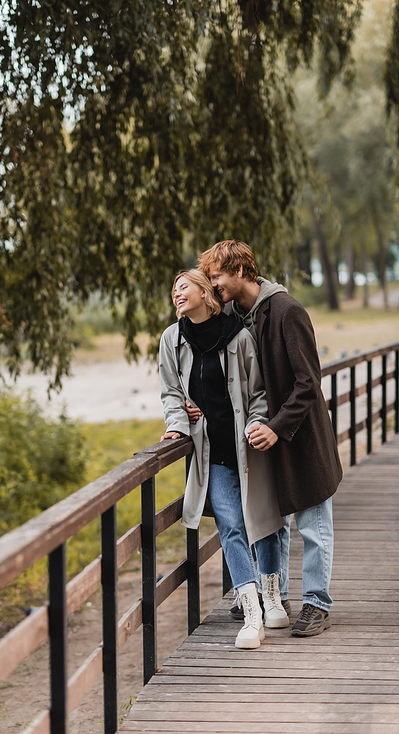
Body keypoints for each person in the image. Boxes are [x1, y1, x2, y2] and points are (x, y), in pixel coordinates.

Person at [192, 240, 342, 637]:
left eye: (217, 276)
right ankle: (277, 597)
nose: (213, 285)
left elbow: (309, 383)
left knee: (313, 522)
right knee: (273, 523)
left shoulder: (288, 311)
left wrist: (276, 426)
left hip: (301, 436)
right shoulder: (230, 315)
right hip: (261, 440)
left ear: (241, 270)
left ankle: (316, 604)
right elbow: (211, 364)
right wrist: (196, 405)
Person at [159, 269, 289, 649]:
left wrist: (255, 423)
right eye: (173, 291)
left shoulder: (238, 335)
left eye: (183, 287)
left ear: (204, 291)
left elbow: (260, 392)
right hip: (211, 451)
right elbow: (170, 391)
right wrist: (179, 423)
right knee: (231, 526)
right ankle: (252, 614)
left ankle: (273, 597)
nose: (177, 294)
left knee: (262, 520)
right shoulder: (172, 339)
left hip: (248, 447)